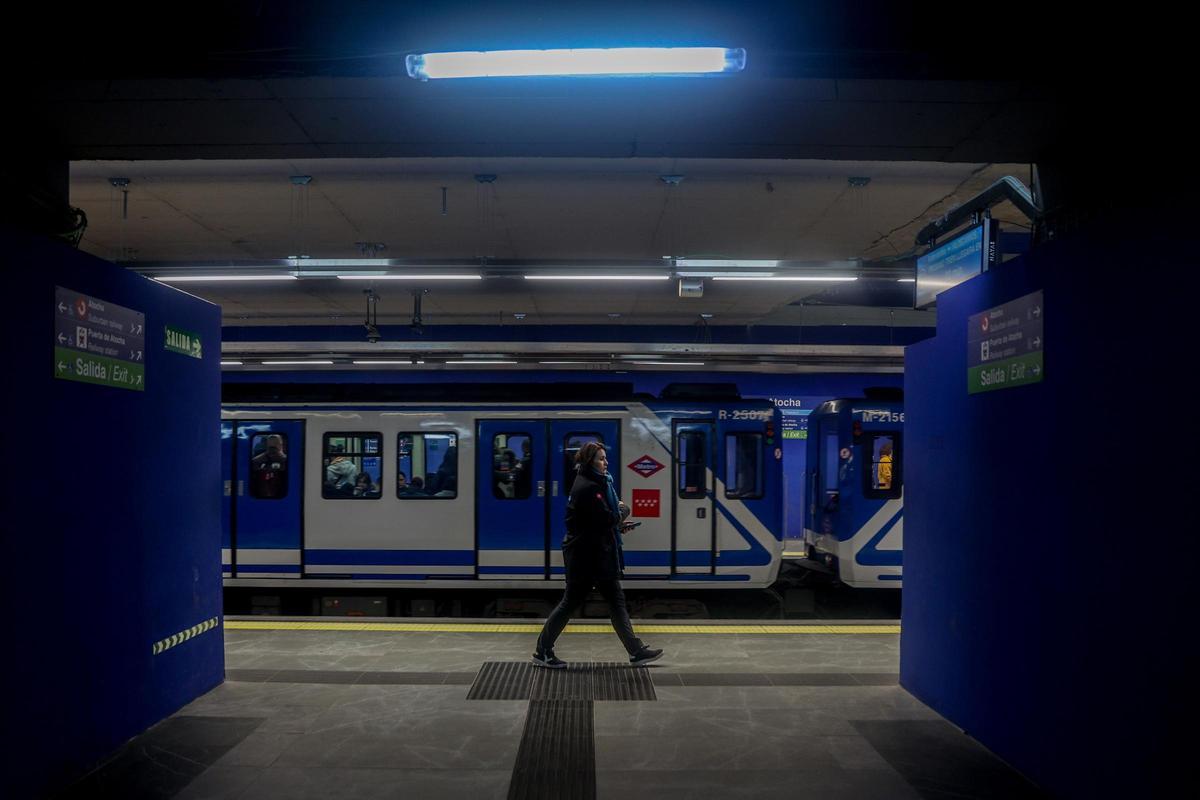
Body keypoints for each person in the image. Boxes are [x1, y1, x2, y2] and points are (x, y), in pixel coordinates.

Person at [533, 441, 663, 669]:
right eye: (601, 458)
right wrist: (622, 512)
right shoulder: (589, 488)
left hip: (595, 554)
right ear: (589, 462)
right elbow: (607, 518)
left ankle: (636, 651)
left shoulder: (594, 484)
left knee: (614, 601)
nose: (606, 462)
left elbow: (597, 523)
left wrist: (618, 525)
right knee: (572, 603)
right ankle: (542, 651)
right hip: (588, 557)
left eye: (605, 457)